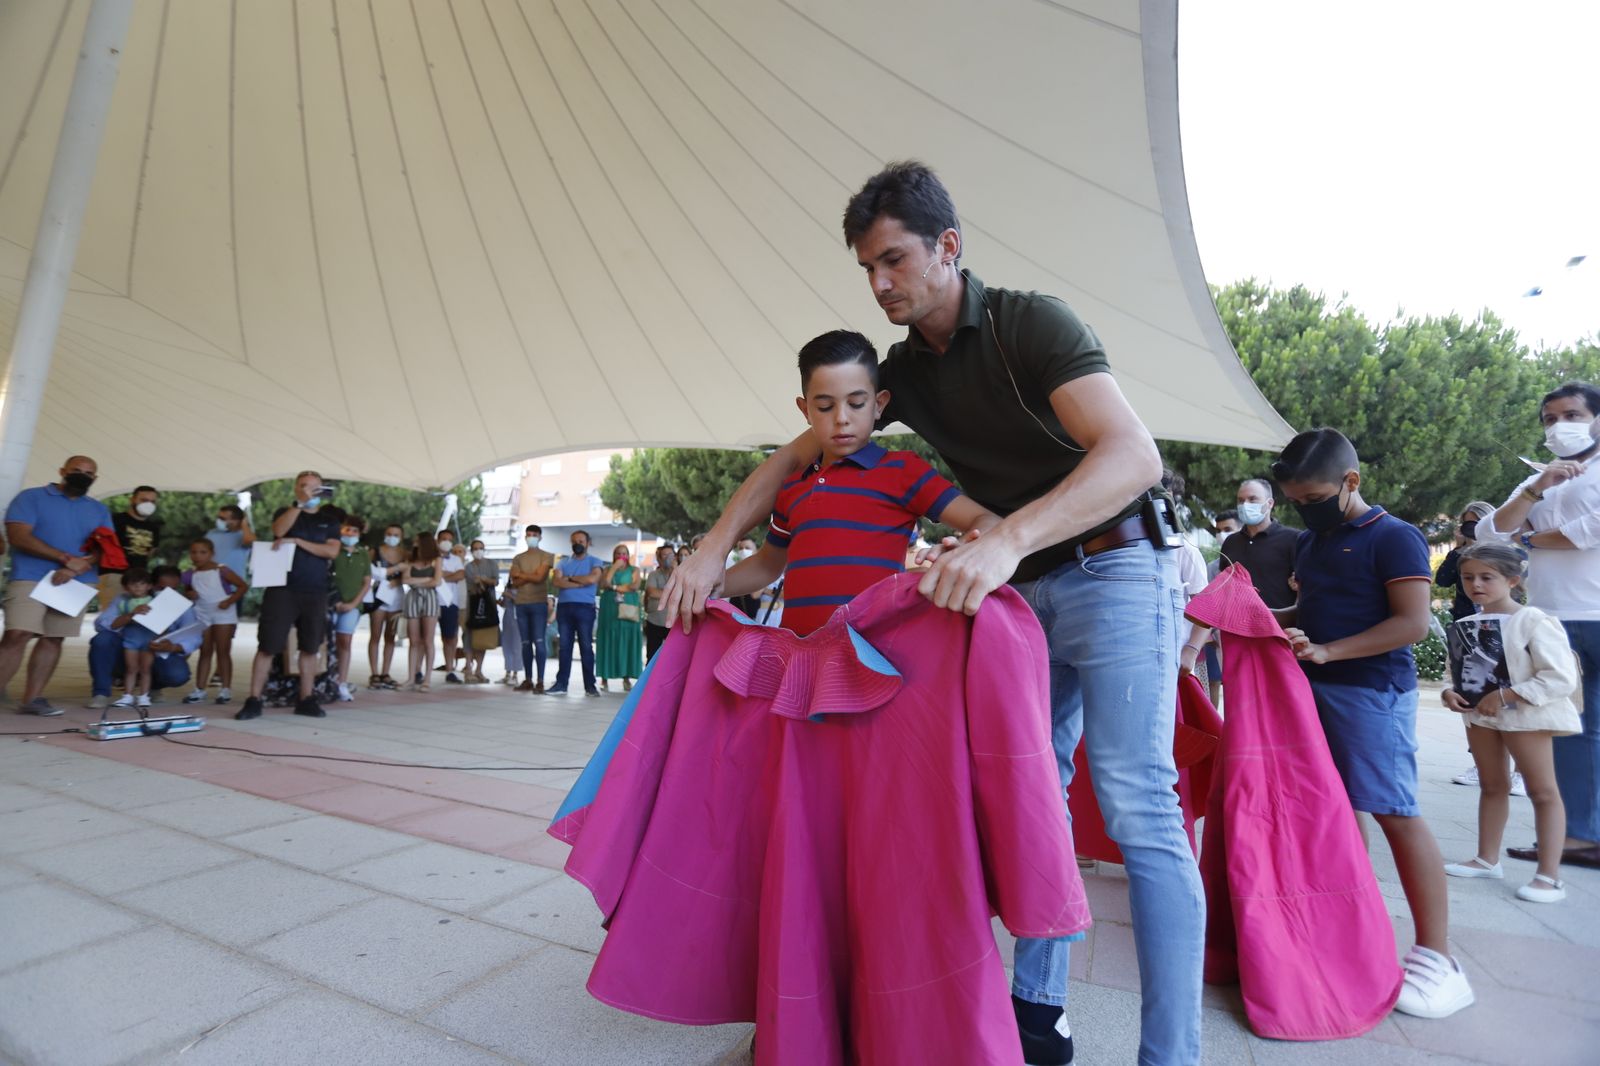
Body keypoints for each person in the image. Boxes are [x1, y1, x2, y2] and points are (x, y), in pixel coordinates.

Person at [666, 162, 1197, 1064]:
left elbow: (1133, 455)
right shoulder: (900, 374)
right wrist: (714, 549)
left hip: (1114, 568)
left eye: (895, 261)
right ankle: (1039, 1015)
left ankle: (1172, 1057)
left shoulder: (1032, 322)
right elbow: (782, 468)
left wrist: (1002, 540)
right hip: (1018, 591)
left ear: (948, 248)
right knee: (1038, 795)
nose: (880, 284)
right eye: (867, 268)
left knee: (1138, 803)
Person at [1274, 428, 1473, 1018]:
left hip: (1371, 693)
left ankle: (1439, 960)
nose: (1304, 510)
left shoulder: (1395, 537)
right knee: (1338, 809)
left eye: (1313, 498)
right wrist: (1255, 614)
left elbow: (1413, 624)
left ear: (1350, 482)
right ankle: (1349, 925)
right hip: (1317, 688)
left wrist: (1331, 652)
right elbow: (1310, 610)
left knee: (1395, 812)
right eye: (1296, 502)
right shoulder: (1315, 542)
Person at [1478, 382, 1600, 871]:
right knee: (1561, 730)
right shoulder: (1543, 475)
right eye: (1549, 419)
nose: (1558, 426)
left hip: (1592, 614)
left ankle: (1581, 833)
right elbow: (1489, 533)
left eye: (1570, 414)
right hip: (1551, 618)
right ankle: (1576, 834)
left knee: (1583, 731)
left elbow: (1588, 532)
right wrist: (1535, 490)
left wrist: (1528, 538)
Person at [1440, 541, 1579, 904]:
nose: (1476, 585)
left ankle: (1549, 877)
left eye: (1487, 577)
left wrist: (1506, 695)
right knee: (1491, 785)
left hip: (1527, 717)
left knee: (1543, 791)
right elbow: (1454, 673)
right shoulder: (1466, 624)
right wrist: (1448, 693)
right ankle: (1487, 859)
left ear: (1513, 580)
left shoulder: (1534, 620)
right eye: (1468, 577)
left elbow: (1561, 677)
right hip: (1480, 717)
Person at [1, 456, 113, 716]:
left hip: (76, 581)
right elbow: (18, 536)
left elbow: (104, 546)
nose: (82, 475)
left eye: (88, 473)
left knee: (53, 638)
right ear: (62, 471)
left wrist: (78, 565)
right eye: (76, 470)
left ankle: (33, 699)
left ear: (94, 479)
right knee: (17, 634)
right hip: (30, 575)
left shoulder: (98, 509)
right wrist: (65, 559)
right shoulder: (31, 497)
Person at [234, 472, 343, 721]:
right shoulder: (286, 512)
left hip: (315, 590)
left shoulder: (329, 520)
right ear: (296, 489)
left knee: (310, 646)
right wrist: (299, 506)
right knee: (268, 645)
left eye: (314, 487)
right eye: (304, 487)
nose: (309, 491)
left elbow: (331, 551)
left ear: (322, 489)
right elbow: (278, 529)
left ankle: (306, 698)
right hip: (281, 589)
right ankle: (254, 699)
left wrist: (297, 541)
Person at [1435, 502, 1522, 793]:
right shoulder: (1462, 557)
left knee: (1511, 696)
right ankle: (1482, 762)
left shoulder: (1509, 552)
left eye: (1477, 522)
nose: (1476, 583)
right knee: (1473, 693)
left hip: (1507, 624)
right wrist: (1460, 547)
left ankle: (1521, 769)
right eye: (1466, 522)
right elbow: (1442, 579)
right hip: (1468, 624)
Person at [89, 565, 202, 708]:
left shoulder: (180, 604)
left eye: (173, 589)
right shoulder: (124, 599)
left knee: (177, 674)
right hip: (129, 647)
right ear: (151, 586)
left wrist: (173, 646)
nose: (168, 594)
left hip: (159, 651)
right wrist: (130, 616)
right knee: (102, 640)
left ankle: (152, 688)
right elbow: (100, 624)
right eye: (162, 589)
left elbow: (194, 636)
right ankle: (101, 693)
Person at [181, 537, 245, 705]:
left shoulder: (222, 570)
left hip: (223, 614)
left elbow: (242, 586)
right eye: (194, 552)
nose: (198, 556)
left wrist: (230, 601)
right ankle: (199, 689)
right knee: (205, 651)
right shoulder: (189, 575)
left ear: (212, 553)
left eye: (203, 552)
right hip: (202, 613)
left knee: (223, 651)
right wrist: (190, 594)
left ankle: (225, 689)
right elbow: (188, 591)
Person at [1218, 478, 1299, 609]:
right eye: (1240, 500)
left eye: (1252, 499)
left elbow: (1303, 588)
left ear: (1270, 503)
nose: (1245, 505)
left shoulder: (1293, 539)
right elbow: (1223, 585)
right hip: (1237, 623)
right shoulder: (1231, 542)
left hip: (1280, 624)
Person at [550, 530, 608, 696]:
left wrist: (568, 579)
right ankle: (561, 685)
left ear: (588, 543)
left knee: (586, 647)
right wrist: (580, 582)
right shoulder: (563, 562)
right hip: (564, 608)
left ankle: (590, 686)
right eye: (575, 541)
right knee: (564, 647)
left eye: (581, 541)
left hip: (585, 608)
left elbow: (592, 579)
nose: (578, 544)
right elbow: (556, 581)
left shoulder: (595, 561)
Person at [97, 485, 162, 612]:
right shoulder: (114, 520)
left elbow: (150, 552)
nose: (148, 504)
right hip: (114, 575)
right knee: (113, 617)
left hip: (139, 579)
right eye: (144, 500)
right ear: (132, 499)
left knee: (138, 617)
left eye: (152, 501)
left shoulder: (154, 527)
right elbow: (100, 545)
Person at [330, 514, 372, 702]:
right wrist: (335, 601)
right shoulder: (333, 549)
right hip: (331, 603)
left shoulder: (362, 553)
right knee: (326, 641)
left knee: (344, 641)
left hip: (352, 605)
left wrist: (354, 604)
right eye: (347, 529)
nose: (350, 533)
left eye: (354, 531)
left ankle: (341, 681)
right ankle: (325, 678)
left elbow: (366, 582)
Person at [509, 525, 554, 693]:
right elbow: (515, 582)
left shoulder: (546, 556)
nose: (531, 537)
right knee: (525, 643)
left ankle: (540, 681)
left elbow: (540, 577)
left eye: (534, 535)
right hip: (521, 604)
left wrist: (523, 575)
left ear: (540, 537)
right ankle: (528, 679)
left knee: (539, 642)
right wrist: (531, 576)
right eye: (528, 535)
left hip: (538, 603)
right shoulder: (518, 558)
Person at [595, 545, 643, 692]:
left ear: (628, 555)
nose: (621, 556)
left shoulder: (634, 570)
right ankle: (604, 678)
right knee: (608, 640)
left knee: (627, 640)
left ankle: (626, 677)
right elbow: (603, 584)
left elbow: (634, 586)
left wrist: (615, 588)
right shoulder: (607, 569)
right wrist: (614, 568)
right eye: (618, 553)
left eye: (624, 553)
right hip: (610, 609)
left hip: (629, 609)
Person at [401, 531, 443, 692]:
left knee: (428, 640)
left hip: (430, 599)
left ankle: (427, 679)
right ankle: (411, 677)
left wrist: (417, 582)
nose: (414, 543)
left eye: (417, 541)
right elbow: (405, 580)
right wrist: (426, 580)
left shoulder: (436, 559)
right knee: (413, 640)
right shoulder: (410, 560)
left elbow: (437, 581)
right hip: (413, 599)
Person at [366, 524, 407, 690]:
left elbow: (411, 571)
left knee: (390, 636)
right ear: (384, 534)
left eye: (396, 534)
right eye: (389, 533)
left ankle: (385, 672)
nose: (392, 537)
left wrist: (400, 580)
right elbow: (368, 571)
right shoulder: (374, 551)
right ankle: (374, 672)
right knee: (375, 634)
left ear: (401, 537)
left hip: (396, 595)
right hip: (379, 594)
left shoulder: (405, 554)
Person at [434, 530, 466, 684]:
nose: (446, 542)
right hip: (432, 602)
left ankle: (450, 670)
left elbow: (460, 575)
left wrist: (440, 574)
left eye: (449, 539)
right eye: (443, 539)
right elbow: (430, 574)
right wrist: (446, 575)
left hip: (450, 603)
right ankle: (419, 671)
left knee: (450, 638)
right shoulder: (430, 557)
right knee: (424, 638)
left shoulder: (455, 559)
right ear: (437, 540)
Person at [205, 502, 255, 582]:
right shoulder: (212, 533)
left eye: (222, 519)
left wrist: (244, 523)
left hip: (234, 586)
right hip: (210, 582)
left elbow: (250, 542)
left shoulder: (243, 535)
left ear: (236, 521)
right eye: (218, 517)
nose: (218, 520)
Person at [643, 544, 677, 661]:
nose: (668, 557)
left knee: (673, 657)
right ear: (659, 558)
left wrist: (675, 570)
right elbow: (652, 593)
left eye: (670, 555)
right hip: (655, 620)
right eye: (665, 555)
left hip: (674, 622)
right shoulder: (653, 575)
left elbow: (680, 592)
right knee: (652, 656)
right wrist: (672, 594)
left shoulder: (679, 574)